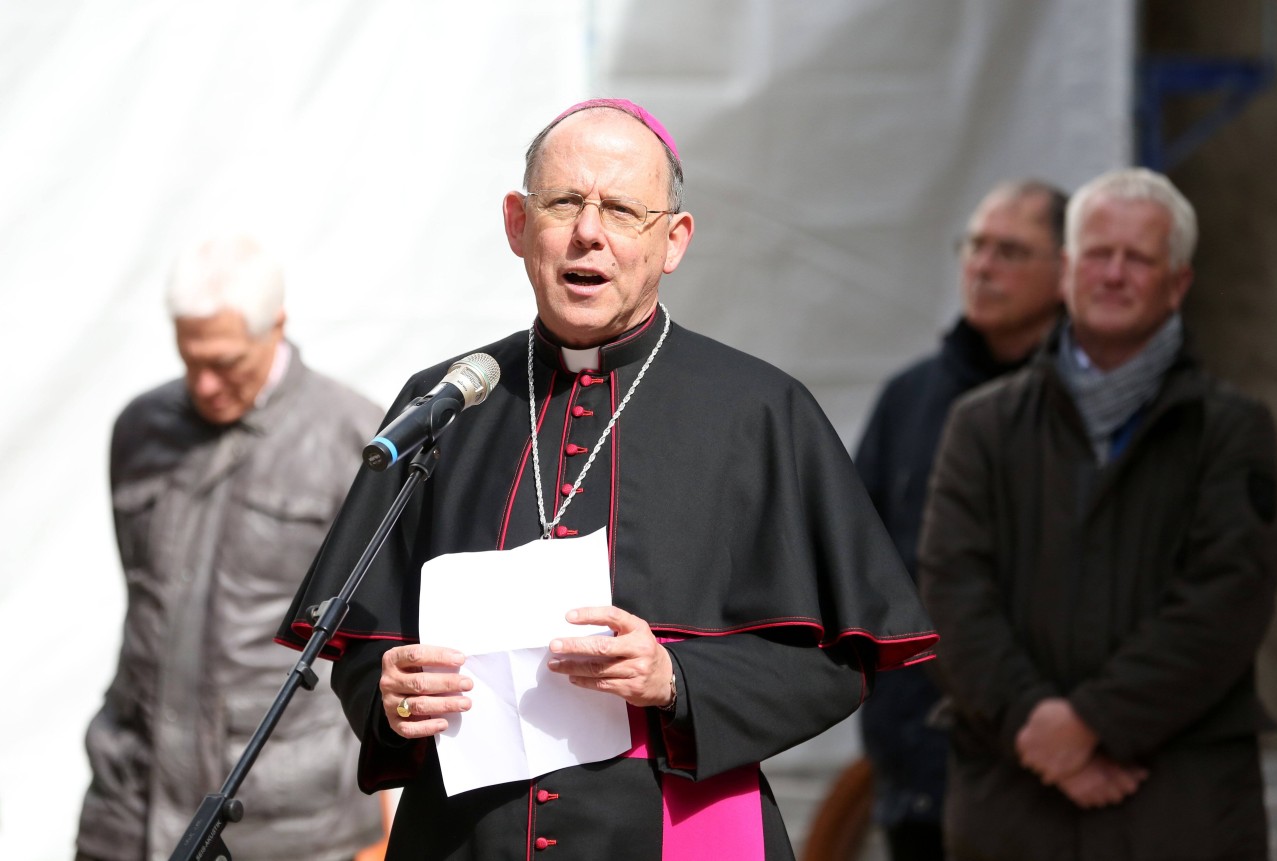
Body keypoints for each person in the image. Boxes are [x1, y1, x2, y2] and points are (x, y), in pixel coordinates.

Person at [275, 98, 937, 860]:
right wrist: (387, 693)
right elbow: (359, 637)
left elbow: (835, 666)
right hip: (466, 840)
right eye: (564, 203)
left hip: (674, 833)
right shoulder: (449, 401)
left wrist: (674, 676)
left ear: (673, 241)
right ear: (517, 225)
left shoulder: (758, 410)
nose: (589, 231)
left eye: (622, 209)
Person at [918, 167, 1277, 860]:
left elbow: (1226, 601)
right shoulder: (982, 426)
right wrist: (1033, 723)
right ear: (1065, 272)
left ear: (1177, 284)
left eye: (1138, 258)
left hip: (1181, 809)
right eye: (1097, 254)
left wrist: (1088, 724)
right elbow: (950, 591)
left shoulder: (1232, 429)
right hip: (1013, 806)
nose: (1114, 274)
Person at [75, 236, 386, 861]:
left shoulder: (357, 439)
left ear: (277, 325)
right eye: (191, 361)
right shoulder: (139, 429)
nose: (206, 383)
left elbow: (379, 641)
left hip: (288, 820)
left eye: (226, 363)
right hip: (128, 806)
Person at [853, 179, 1066, 860]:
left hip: (1053, 766)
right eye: (975, 245)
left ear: (1066, 270)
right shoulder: (910, 399)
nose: (983, 265)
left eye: (1011, 250)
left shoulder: (1092, 405)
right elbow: (859, 563)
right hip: (919, 766)